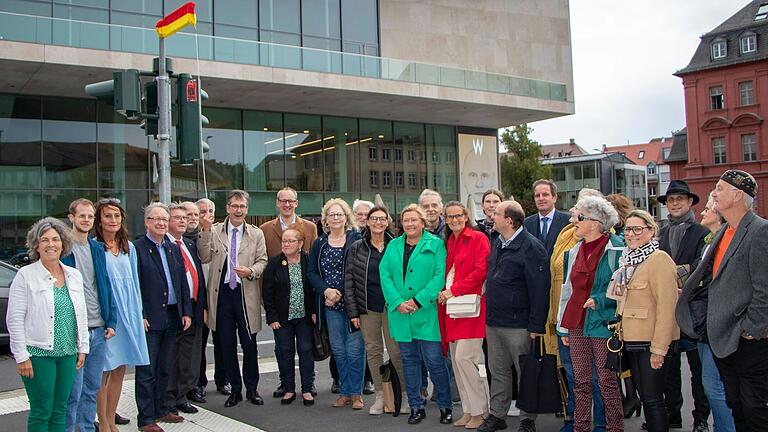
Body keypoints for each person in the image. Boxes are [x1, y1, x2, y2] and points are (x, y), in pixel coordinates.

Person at [677, 170, 768, 431]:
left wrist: (751, 330)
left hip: (748, 342)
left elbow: (764, 289)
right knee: (736, 406)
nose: (714, 193)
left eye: (719, 188)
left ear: (738, 194)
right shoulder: (723, 232)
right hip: (723, 338)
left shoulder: (760, 231)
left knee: (755, 410)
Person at [7, 217, 89, 432]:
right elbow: (14, 318)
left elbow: (81, 314)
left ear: (63, 243)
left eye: (55, 239)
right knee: (42, 409)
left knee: (60, 409)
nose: (50, 244)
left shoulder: (74, 275)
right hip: (38, 355)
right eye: (44, 240)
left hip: (68, 353)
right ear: (36, 245)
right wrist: (21, 356)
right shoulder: (25, 275)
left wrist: (83, 347)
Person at [477, 200, 550, 432]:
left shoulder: (532, 248)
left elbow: (540, 290)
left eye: (496, 213)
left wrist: (536, 325)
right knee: (497, 370)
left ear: (509, 220)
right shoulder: (498, 242)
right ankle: (498, 414)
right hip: (494, 321)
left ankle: (528, 419)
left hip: (519, 325)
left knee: (525, 373)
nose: (491, 216)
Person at [380, 204, 453, 425]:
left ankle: (445, 406)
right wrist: (397, 302)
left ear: (422, 222)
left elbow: (440, 275)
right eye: (406, 220)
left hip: (427, 313)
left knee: (434, 362)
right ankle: (416, 406)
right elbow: (385, 275)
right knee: (409, 362)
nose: (409, 224)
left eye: (414, 220)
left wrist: (418, 300)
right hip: (401, 314)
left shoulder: (436, 244)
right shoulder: (393, 245)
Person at [557, 195, 624, 432]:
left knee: (606, 382)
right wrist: (562, 326)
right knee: (580, 381)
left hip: (602, 324)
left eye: (580, 217)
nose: (575, 220)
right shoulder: (574, 251)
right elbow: (568, 290)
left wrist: (600, 299)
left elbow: (623, 287)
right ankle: (581, 428)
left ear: (595, 222)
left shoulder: (617, 248)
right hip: (576, 323)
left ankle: (614, 428)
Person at [198, 190, 268, 407]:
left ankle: (252, 389)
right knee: (226, 345)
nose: (238, 210)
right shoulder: (216, 230)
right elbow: (204, 256)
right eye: (234, 206)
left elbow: (263, 259)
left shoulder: (256, 234)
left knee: (249, 345)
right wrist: (205, 230)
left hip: (245, 293)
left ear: (247, 209)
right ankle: (235, 389)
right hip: (222, 295)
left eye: (242, 207)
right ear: (227, 208)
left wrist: (251, 271)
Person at [546, 188, 607, 432]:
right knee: (574, 375)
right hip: (567, 316)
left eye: (580, 208)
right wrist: (558, 321)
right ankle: (576, 420)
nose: (573, 211)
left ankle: (601, 422)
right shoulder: (566, 236)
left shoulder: (608, 242)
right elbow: (560, 283)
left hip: (593, 319)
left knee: (598, 377)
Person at [616, 210, 679, 432]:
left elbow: (667, 308)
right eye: (628, 229)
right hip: (632, 340)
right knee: (646, 397)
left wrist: (659, 349)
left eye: (637, 229)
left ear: (651, 231)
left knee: (653, 400)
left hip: (650, 344)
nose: (631, 234)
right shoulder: (628, 261)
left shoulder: (658, 259)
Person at [344, 206, 408, 415]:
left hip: (393, 307)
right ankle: (381, 395)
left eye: (382, 219)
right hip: (367, 307)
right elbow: (349, 282)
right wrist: (353, 312)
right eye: (374, 219)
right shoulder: (356, 247)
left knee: (397, 352)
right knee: (373, 351)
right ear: (368, 222)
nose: (378, 223)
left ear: (387, 222)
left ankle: (404, 395)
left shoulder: (397, 244)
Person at [134, 203, 192, 432]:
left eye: (163, 219)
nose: (159, 223)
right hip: (151, 318)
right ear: (146, 222)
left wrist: (186, 311)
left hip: (172, 315)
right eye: (154, 218)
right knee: (147, 370)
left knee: (165, 368)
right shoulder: (137, 248)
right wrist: (141, 314)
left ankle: (162, 409)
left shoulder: (172, 247)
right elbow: (135, 285)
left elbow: (181, 283)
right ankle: (146, 418)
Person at [657, 180, 710, 432]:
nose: (675, 203)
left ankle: (700, 418)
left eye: (680, 199)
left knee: (698, 371)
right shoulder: (662, 233)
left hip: (694, 310)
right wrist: (681, 272)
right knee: (669, 368)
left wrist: (667, 277)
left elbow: (701, 268)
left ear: (690, 202)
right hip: (668, 311)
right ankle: (673, 414)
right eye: (671, 200)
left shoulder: (702, 232)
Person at [93, 198, 149, 432]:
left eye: (116, 216)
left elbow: (135, 283)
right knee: (103, 371)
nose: (113, 220)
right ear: (99, 219)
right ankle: (103, 422)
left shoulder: (129, 247)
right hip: (110, 313)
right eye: (107, 216)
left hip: (130, 310)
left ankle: (112, 420)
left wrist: (140, 314)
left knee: (120, 369)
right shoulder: (94, 247)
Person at [62, 199, 117, 432]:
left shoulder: (96, 248)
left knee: (92, 387)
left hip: (99, 327)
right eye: (82, 216)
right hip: (75, 329)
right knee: (72, 391)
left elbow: (104, 284)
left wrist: (111, 320)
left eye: (90, 216)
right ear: (71, 218)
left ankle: (85, 428)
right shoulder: (64, 249)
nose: (86, 220)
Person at [259, 187, 319, 398]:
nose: (286, 204)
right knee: (283, 350)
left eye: (290, 201)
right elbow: (266, 284)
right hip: (281, 310)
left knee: (305, 349)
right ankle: (287, 385)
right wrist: (271, 313)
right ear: (277, 203)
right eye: (282, 201)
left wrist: (314, 310)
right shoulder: (265, 229)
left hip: (304, 314)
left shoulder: (310, 229)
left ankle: (308, 386)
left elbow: (314, 279)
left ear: (296, 203)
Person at [308, 198, 365, 409]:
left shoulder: (357, 239)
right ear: (326, 219)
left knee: (355, 350)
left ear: (346, 217)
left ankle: (357, 394)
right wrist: (327, 290)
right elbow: (312, 273)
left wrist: (344, 291)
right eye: (331, 214)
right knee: (339, 350)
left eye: (339, 214)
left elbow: (361, 269)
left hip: (354, 305)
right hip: (330, 305)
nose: (335, 218)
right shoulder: (319, 243)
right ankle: (345, 392)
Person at [438, 202, 490, 429]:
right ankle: (469, 410)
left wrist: (454, 290)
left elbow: (481, 270)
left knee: (466, 359)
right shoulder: (450, 241)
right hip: (453, 310)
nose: (454, 220)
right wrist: (444, 293)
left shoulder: (478, 238)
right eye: (449, 217)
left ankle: (481, 410)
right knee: (459, 363)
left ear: (466, 216)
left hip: (471, 308)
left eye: (458, 216)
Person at [689, 193, 735, 432]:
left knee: (714, 385)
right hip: (704, 323)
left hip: (715, 324)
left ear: (719, 215)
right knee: (713, 385)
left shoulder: (723, 243)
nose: (702, 212)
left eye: (707, 209)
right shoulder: (709, 241)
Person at [165, 203, 208, 415]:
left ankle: (182, 396)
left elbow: (198, 278)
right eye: (177, 217)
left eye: (185, 217)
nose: (182, 220)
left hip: (193, 307)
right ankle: (169, 399)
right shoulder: (164, 246)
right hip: (174, 310)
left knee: (189, 356)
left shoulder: (189, 245)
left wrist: (202, 307)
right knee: (172, 357)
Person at [192, 198, 229, 401]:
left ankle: (223, 379)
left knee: (222, 341)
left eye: (210, 211)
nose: (206, 214)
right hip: (199, 298)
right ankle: (198, 382)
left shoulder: (221, 234)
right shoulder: (190, 234)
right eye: (201, 211)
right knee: (199, 344)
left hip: (218, 295)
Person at [523, 179, 571, 255]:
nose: (541, 198)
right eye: (537, 195)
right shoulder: (526, 224)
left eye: (545, 194)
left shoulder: (568, 222)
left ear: (554, 198)